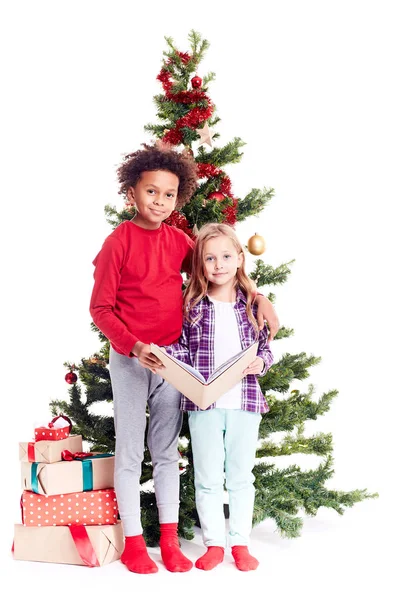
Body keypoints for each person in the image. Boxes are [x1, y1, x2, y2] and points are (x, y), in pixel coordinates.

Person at [89, 142, 279, 574]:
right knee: (130, 453)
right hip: (134, 361)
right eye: (151, 192)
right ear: (132, 193)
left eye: (169, 195)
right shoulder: (118, 242)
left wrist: (259, 295)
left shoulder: (179, 241)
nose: (159, 201)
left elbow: (221, 267)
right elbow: (100, 309)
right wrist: (135, 346)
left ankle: (171, 540)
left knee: (167, 452)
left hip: (177, 366)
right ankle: (135, 542)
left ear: (179, 198)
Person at [162, 223, 274, 572]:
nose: (219, 264)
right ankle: (213, 544)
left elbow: (268, 348)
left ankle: (240, 542)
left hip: (244, 403)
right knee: (208, 477)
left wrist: (261, 361)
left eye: (226, 256)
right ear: (200, 264)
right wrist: (182, 371)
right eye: (210, 258)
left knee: (241, 476)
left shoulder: (251, 307)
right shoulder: (192, 306)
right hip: (204, 405)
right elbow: (178, 348)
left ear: (240, 258)